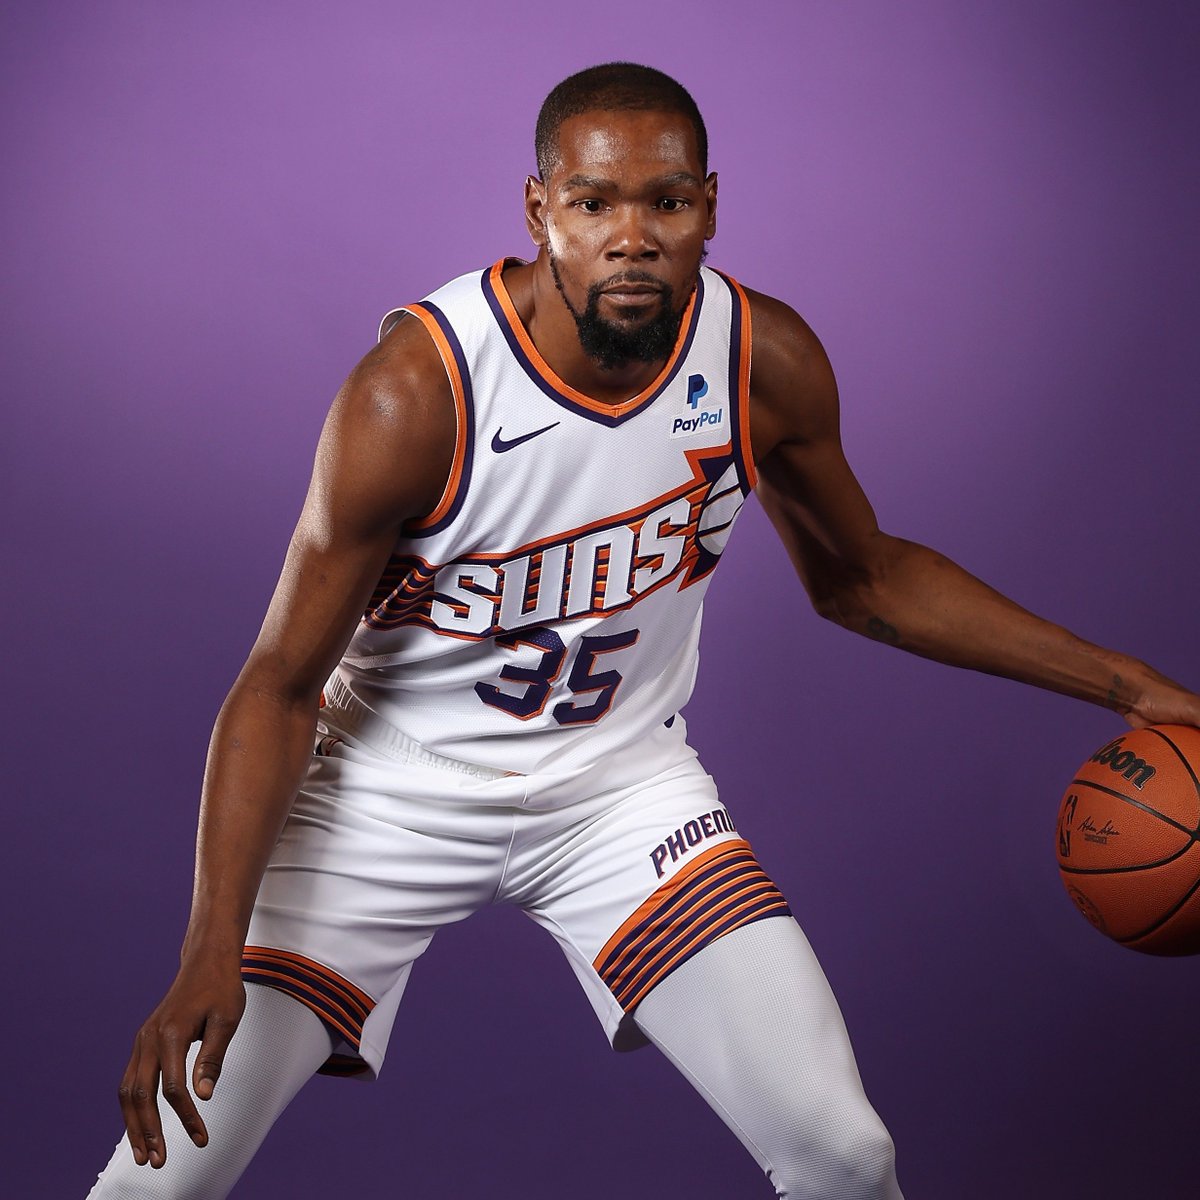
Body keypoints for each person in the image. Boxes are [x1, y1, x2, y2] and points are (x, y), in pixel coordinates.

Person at [88, 62, 1200, 1200]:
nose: (633, 237)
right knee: (159, 1180)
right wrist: (207, 946)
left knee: (847, 1152)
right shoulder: (418, 393)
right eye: (594, 203)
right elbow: (277, 683)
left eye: (666, 203)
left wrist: (1124, 685)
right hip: (385, 794)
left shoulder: (761, 359)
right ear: (539, 211)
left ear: (709, 207)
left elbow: (864, 578)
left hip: (619, 793)